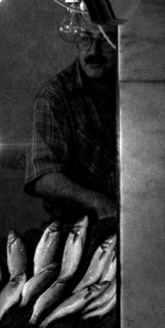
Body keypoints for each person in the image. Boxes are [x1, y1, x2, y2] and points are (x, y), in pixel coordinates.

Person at [25, 22, 119, 222]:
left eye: (105, 40)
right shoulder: (55, 96)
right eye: (86, 39)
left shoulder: (135, 88)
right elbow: (43, 177)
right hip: (76, 232)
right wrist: (99, 203)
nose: (94, 51)